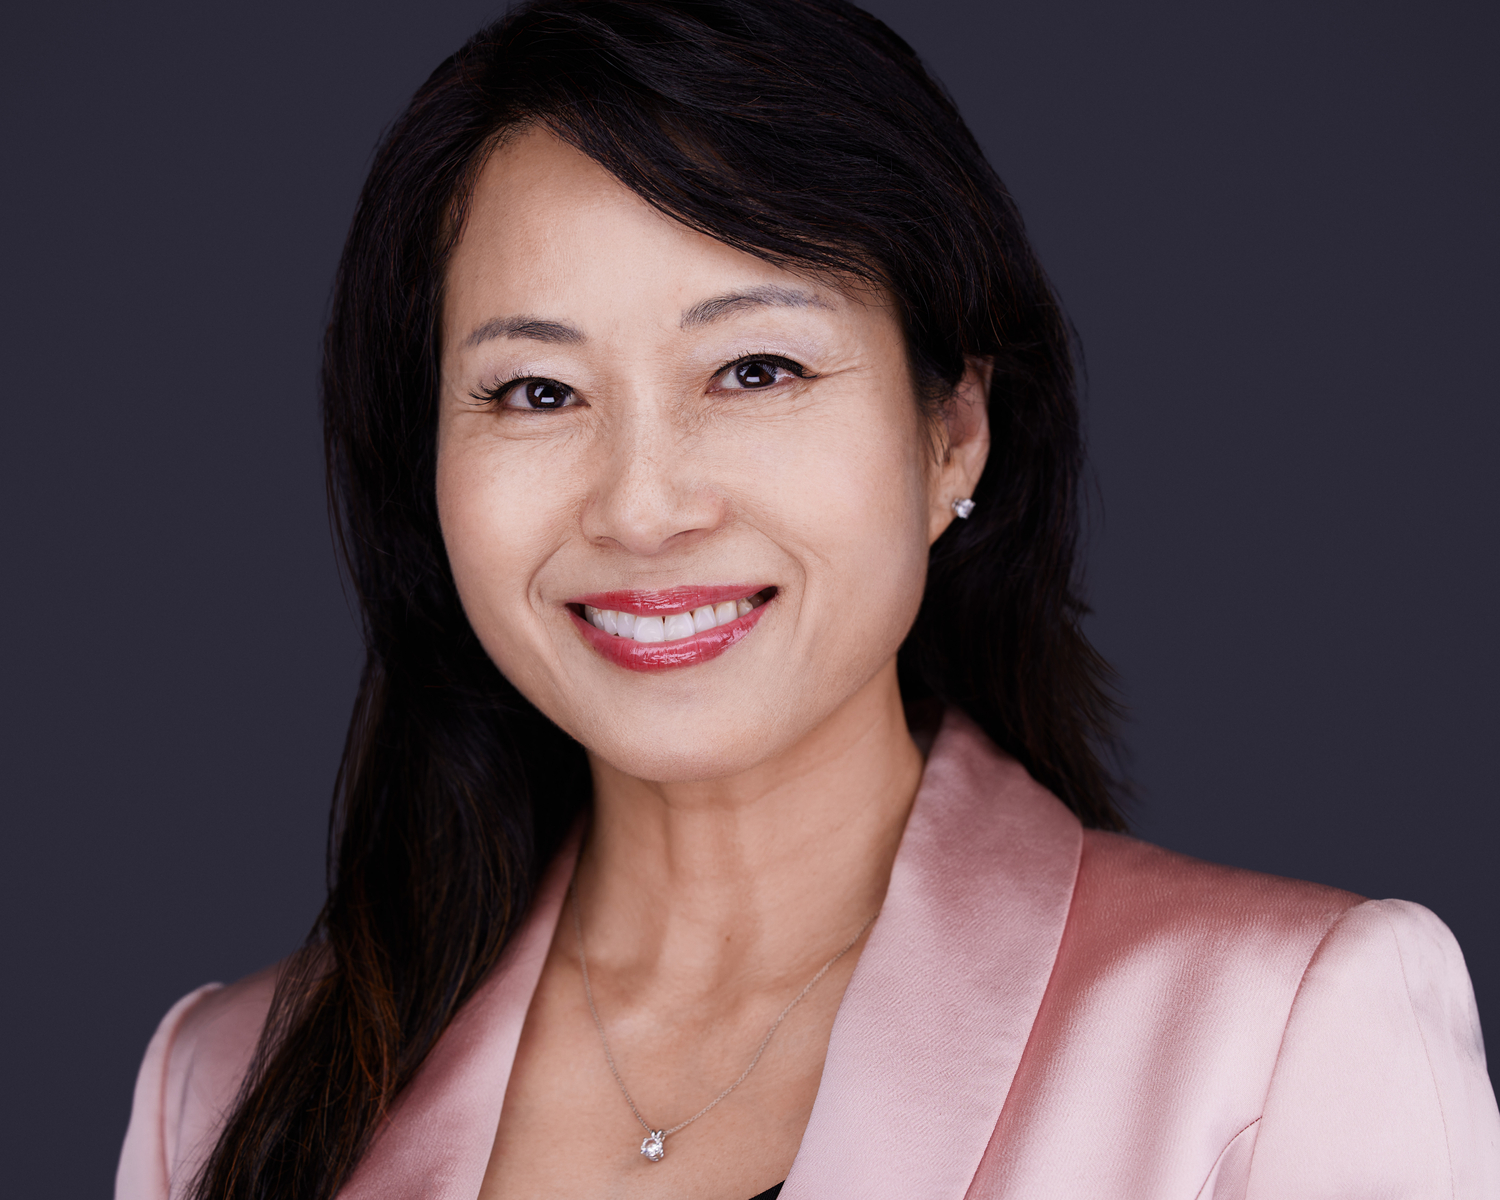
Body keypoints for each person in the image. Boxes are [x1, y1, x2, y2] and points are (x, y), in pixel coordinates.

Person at [115, 2, 1500, 1197]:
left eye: (755, 370)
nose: (642, 506)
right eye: (536, 390)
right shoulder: (222, 1090)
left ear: (952, 431)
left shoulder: (1278, 1038)